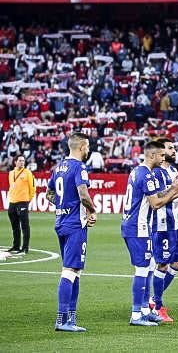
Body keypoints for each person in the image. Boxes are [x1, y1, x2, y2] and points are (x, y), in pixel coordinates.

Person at [122, 140, 178, 326]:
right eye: (161, 155)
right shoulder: (147, 175)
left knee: (147, 268)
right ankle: (136, 314)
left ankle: (145, 310)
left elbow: (161, 196)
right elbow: (156, 203)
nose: (164, 158)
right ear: (152, 155)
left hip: (138, 226)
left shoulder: (138, 171)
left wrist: (175, 188)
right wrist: (176, 189)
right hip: (138, 227)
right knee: (142, 270)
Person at [46, 132, 97, 332]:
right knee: (70, 271)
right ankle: (61, 320)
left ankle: (71, 318)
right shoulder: (79, 167)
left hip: (61, 222)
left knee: (74, 270)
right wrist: (92, 211)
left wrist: (62, 204)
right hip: (75, 224)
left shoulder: (58, 167)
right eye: (87, 146)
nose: (88, 150)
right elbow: (83, 193)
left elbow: (49, 193)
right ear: (81, 147)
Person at [150, 139, 178, 322]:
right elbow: (160, 197)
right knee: (162, 265)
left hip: (174, 222)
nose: (174, 151)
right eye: (170, 148)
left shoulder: (173, 171)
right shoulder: (157, 172)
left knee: (177, 264)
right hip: (161, 223)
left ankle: (152, 299)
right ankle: (158, 306)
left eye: (174, 148)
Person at [7, 154, 35, 255]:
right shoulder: (11, 173)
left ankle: (25, 247)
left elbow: (32, 188)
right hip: (12, 202)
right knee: (15, 226)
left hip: (23, 202)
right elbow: (12, 187)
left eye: (23, 161)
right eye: (20, 160)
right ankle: (16, 245)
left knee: (25, 226)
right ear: (15, 162)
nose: (22, 162)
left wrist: (28, 200)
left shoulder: (28, 173)